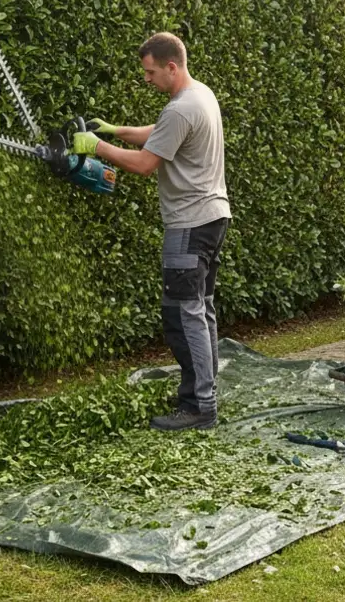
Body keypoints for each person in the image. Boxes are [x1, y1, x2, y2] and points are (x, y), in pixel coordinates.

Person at [71, 32, 231, 431]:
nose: (147, 79)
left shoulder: (180, 109)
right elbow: (160, 133)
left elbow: (145, 164)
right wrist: (114, 130)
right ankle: (203, 395)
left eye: (151, 72)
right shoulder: (199, 96)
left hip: (188, 224)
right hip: (212, 217)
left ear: (171, 67)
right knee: (202, 309)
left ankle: (199, 407)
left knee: (184, 314)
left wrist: (97, 148)